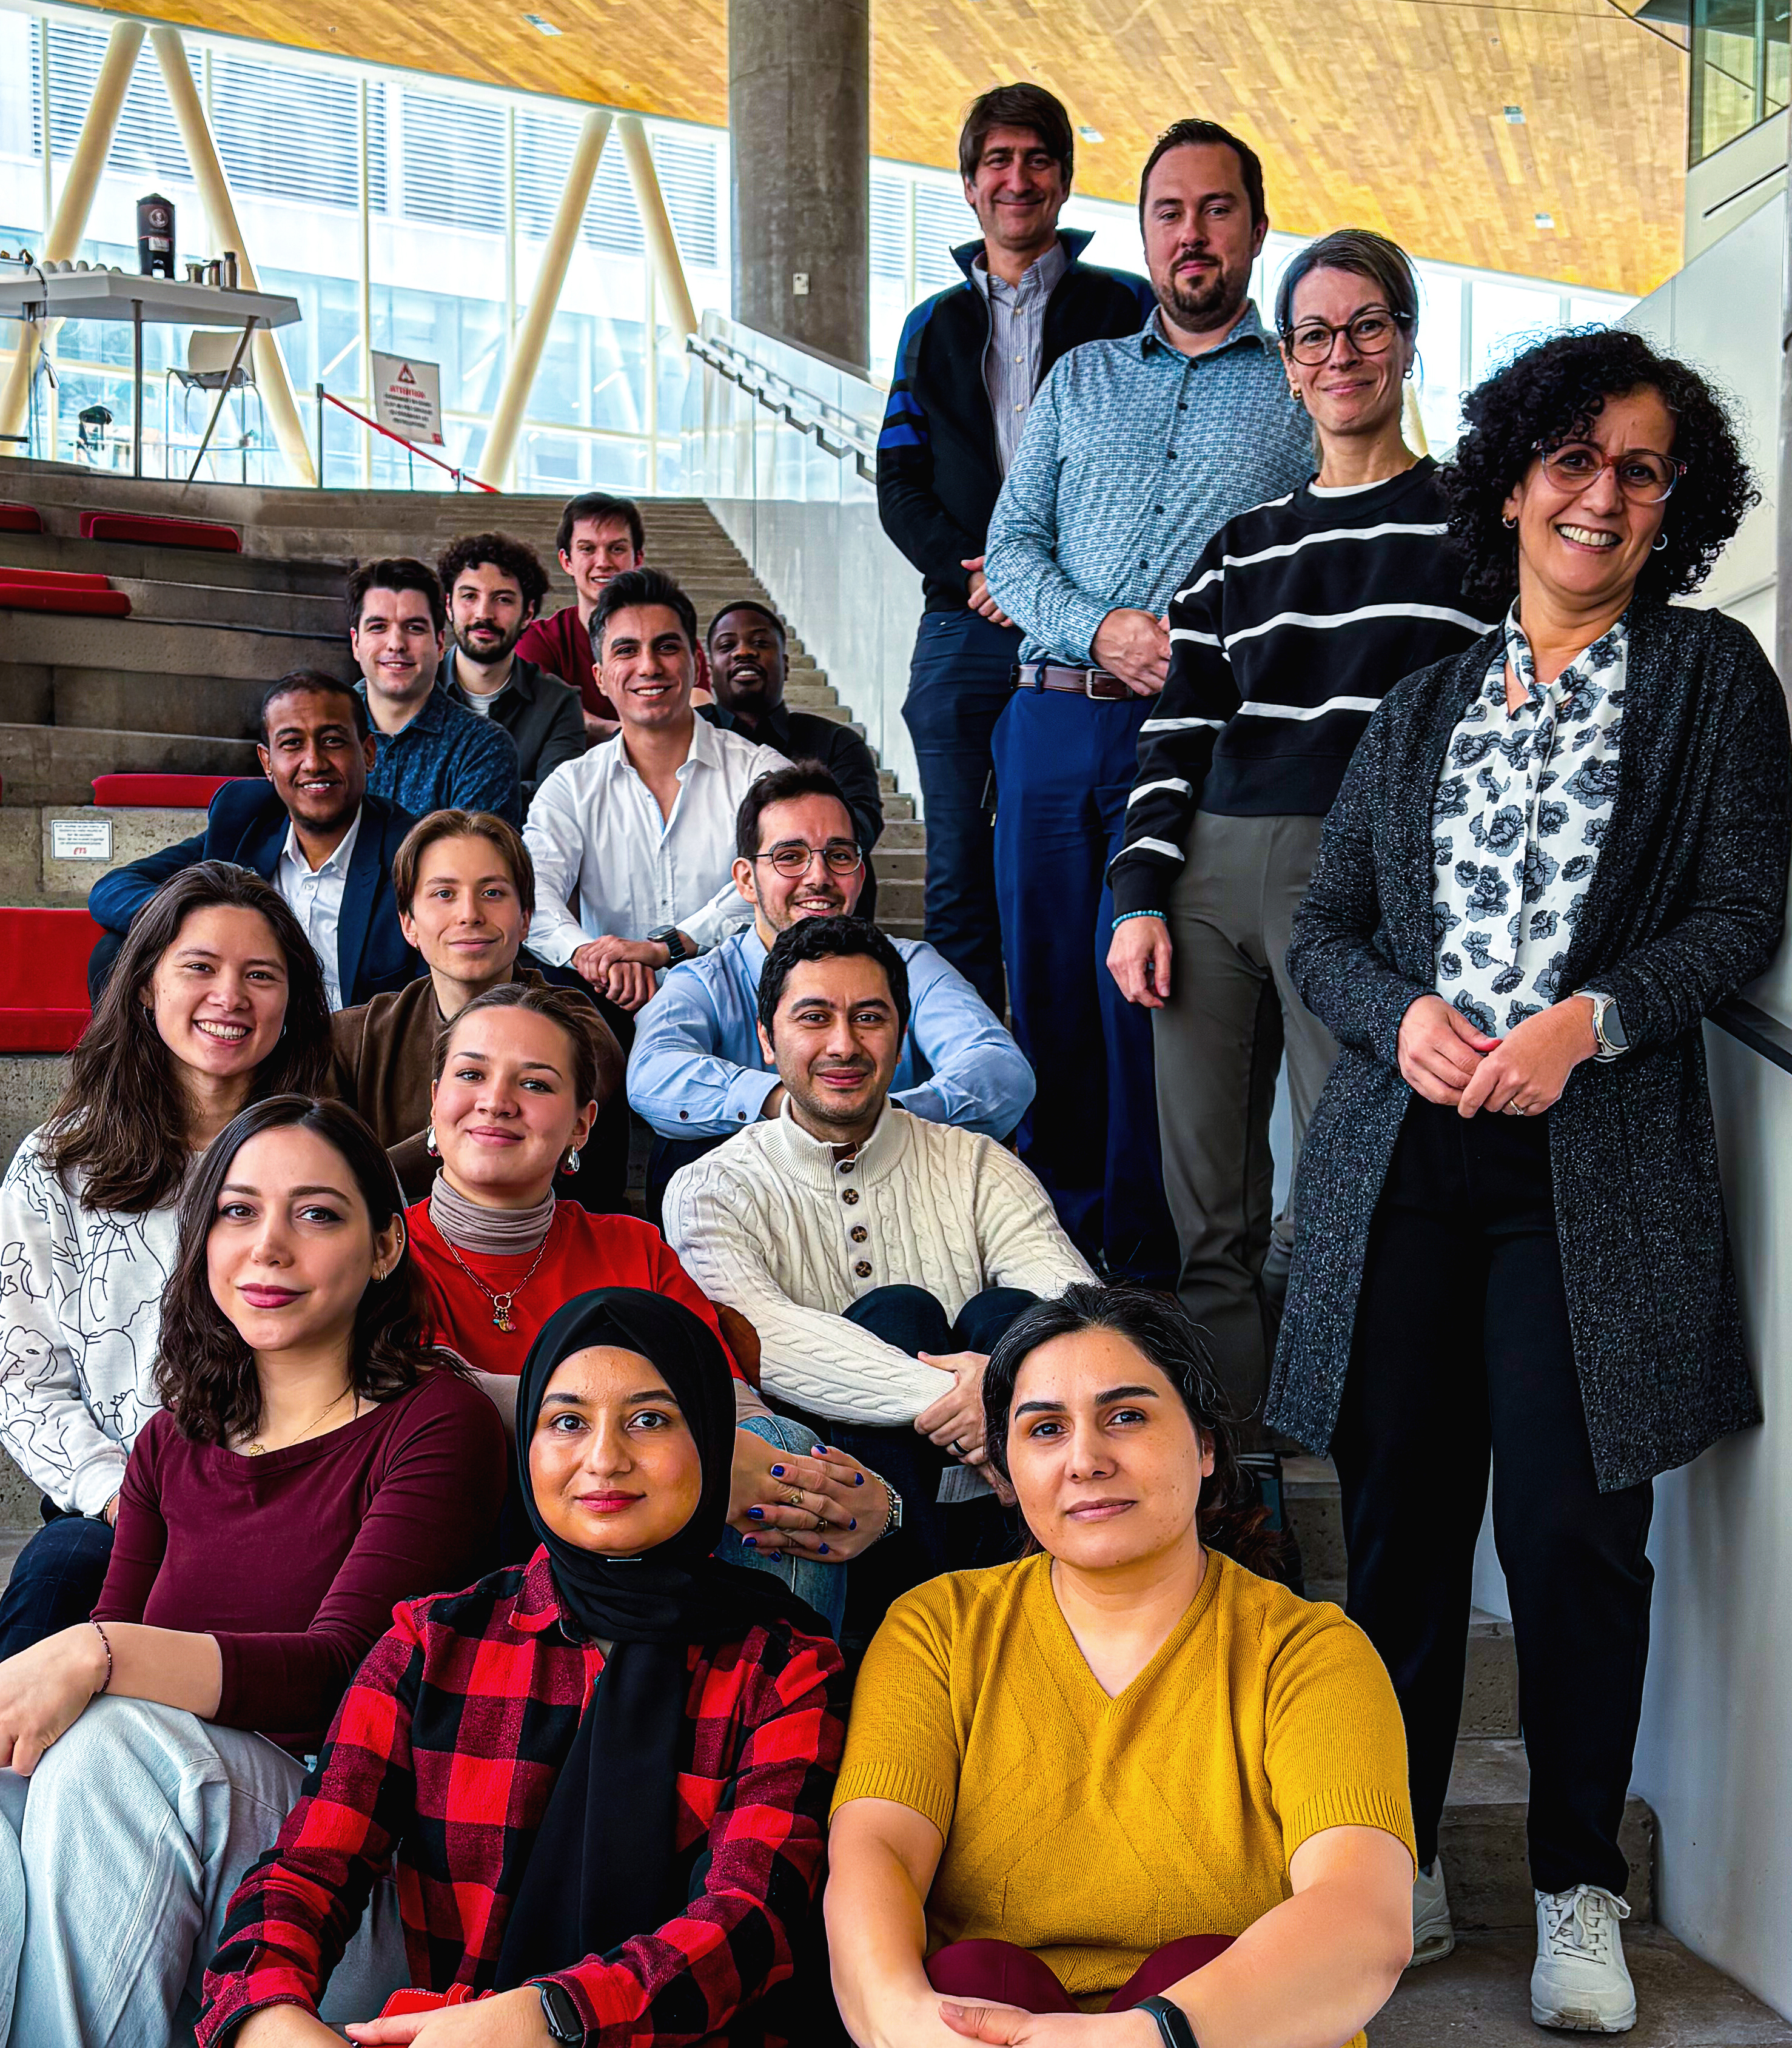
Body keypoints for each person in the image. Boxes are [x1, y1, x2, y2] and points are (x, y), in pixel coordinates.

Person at [1266, 327, 1788, 2031]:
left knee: (1573, 1539)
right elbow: (1324, 932)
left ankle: (1577, 1889)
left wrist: (1594, 1020)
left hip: (1593, 1170)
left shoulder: (1711, 680)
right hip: (1407, 1162)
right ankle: (1396, 1858)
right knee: (1403, 1537)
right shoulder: (1419, 705)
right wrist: (1399, 1011)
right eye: (1572, 460)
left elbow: (1735, 912)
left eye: (1640, 470)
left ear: (1674, 504)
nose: (1602, 495)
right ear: (1508, 482)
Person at [193, 1288, 845, 2048]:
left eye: (650, 1418)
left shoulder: (786, 1668)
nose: (604, 1458)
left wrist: (551, 2017)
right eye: (566, 1420)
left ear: (708, 1434)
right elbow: (307, 1869)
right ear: (528, 1445)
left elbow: (749, 1919)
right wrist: (263, 2014)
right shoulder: (434, 1641)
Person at [0, 1094, 508, 2048]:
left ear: (387, 1247)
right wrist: (92, 1660)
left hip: (340, 1865)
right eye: (237, 1211)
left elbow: (346, 1667)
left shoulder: (437, 1424)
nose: (268, 1247)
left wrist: (98, 1651)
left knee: (114, 1746)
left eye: (316, 1213)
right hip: (153, 1832)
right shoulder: (167, 1443)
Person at [1105, 229, 1498, 1429]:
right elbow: (1174, 732)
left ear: (1406, 342)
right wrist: (1135, 897)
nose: (1340, 352)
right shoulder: (1240, 545)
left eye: (1365, 325)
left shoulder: (1474, 529)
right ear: (1285, 362)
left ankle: (1348, 1442)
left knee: (1350, 1183)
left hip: (1365, 885)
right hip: (1211, 872)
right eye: (1315, 333)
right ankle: (1234, 1473)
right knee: (1206, 1200)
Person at [827, 1286, 1415, 2048]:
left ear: (1205, 1446)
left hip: (1216, 2037)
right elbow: (876, 1857)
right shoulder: (936, 1630)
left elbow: (1363, 1918)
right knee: (973, 1978)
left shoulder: (1307, 1653)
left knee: (1202, 1963)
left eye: (1127, 1416)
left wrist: (1141, 2037)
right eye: (1045, 1428)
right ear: (1004, 1471)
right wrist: (903, 2021)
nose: (1086, 1459)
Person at [983, 118, 1314, 1289]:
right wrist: (1102, 629)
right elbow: (1009, 552)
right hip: (1050, 723)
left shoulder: (1298, 385)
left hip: (1195, 744)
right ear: (1143, 231)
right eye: (1170, 212)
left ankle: (1153, 1284)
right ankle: (1058, 1277)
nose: (1193, 234)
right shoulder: (1082, 377)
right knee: (1056, 1008)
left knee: (1156, 1014)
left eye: (1217, 209)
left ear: (1257, 228)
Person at [409, 979, 896, 1636]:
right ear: (436, 1099)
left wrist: (870, 1500)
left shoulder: (629, 1245)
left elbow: (734, 1401)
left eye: (536, 1084)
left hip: (647, 1544)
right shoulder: (378, 1251)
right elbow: (411, 1392)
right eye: (471, 1073)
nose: (497, 1101)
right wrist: (667, 1431)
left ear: (582, 1124)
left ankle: (780, 1705)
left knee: (779, 1443)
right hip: (467, 1543)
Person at [663, 918, 1092, 1637]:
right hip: (844, 1514)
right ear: (768, 1039)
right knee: (899, 1313)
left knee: (1018, 1314)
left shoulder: (977, 1163)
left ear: (902, 1033)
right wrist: (985, 1397)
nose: (843, 1044)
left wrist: (1004, 1392)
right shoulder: (712, 1186)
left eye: (870, 1017)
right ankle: (914, 1639)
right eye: (814, 1017)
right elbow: (764, 1337)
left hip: (1007, 1497)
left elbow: (1082, 1309)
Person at [0, 864, 333, 1659]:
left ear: (291, 1006)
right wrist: (118, 1495)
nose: (231, 996)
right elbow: (22, 1371)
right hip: (110, 1509)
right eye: (200, 967)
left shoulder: (330, 1160)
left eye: (261, 975)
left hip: (297, 1499)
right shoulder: (59, 1163)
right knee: (52, 1590)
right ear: (146, 986)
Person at [878, 84, 1152, 1015]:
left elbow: (1147, 470)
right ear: (966, 185)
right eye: (996, 160)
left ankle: (1072, 1101)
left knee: (1078, 879)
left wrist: (1048, 592)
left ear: (1065, 181)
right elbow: (898, 484)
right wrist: (985, 573)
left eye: (1036, 159)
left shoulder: (1125, 307)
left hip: (1088, 620)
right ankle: (971, 1105)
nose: (1016, 178)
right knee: (956, 880)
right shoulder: (930, 327)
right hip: (965, 615)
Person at [629, 761, 1035, 1224]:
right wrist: (792, 1106)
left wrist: (882, 1118)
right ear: (745, 879)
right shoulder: (703, 979)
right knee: (686, 1145)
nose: (818, 876)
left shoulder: (911, 965)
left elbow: (1002, 1069)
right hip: (762, 1212)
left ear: (860, 875)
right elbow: (652, 1073)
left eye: (839, 855)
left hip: (899, 1204)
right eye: (790, 856)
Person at [327, 810, 631, 1210]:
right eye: (443, 893)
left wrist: (361, 1180)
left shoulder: (575, 1027)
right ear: (408, 924)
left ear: (525, 919)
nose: (469, 914)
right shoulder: (352, 1037)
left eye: (492, 892)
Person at [523, 568, 786, 1013]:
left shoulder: (760, 773)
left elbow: (780, 877)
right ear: (601, 677)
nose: (648, 666)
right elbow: (530, 892)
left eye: (666, 646)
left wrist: (672, 946)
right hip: (611, 1008)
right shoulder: (570, 787)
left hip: (743, 1011)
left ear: (696, 663)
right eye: (626, 650)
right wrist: (588, 954)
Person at [87, 673, 418, 1012]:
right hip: (242, 1037)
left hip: (353, 1052)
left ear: (368, 753)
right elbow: (112, 890)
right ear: (267, 763)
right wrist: (200, 920)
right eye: (292, 744)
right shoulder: (246, 821)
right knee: (113, 952)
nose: (314, 763)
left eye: (332, 741)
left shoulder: (411, 851)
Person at [706, 600, 885, 921]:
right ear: (707, 670)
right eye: (727, 645)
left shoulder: (837, 743)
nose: (744, 652)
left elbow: (860, 831)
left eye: (761, 643)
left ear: (787, 665)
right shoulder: (689, 738)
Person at [348, 557, 522, 827]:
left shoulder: (483, 748)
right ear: (356, 642)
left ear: (440, 644)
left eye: (414, 628)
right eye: (378, 627)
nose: (396, 644)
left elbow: (473, 862)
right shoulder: (321, 730)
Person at [437, 533, 586, 808]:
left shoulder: (558, 704)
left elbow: (557, 807)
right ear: (449, 606)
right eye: (469, 596)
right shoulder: (420, 689)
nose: (484, 614)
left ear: (528, 613)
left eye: (503, 600)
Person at [514, 491, 646, 740]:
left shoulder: (670, 637)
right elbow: (546, 714)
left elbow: (698, 709)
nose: (603, 562)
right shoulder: (539, 640)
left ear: (638, 558)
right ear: (566, 561)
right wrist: (628, 735)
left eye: (617, 549)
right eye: (587, 549)